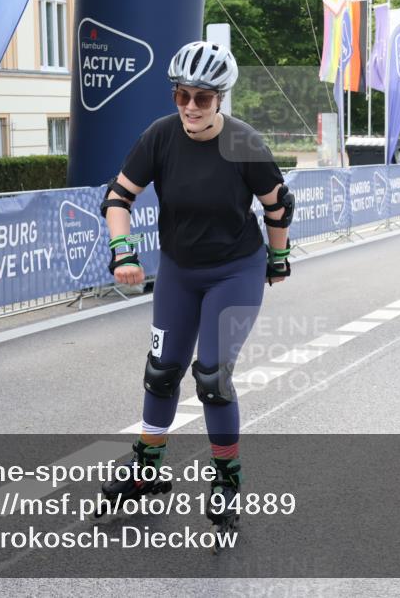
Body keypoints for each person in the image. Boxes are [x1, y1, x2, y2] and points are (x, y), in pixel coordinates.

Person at [98, 41, 293, 536]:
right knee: (162, 370)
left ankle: (226, 477)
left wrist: (278, 257)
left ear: (220, 98)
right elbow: (118, 196)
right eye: (181, 95)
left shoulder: (244, 143)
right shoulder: (160, 136)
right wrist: (122, 250)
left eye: (201, 98)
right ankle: (147, 468)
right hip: (180, 271)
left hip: (235, 271)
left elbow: (278, 206)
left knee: (212, 376)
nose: (189, 106)